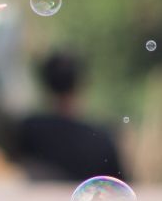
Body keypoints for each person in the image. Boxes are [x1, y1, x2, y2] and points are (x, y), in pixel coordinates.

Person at [13, 50, 126, 182]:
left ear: (46, 85)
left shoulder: (29, 130)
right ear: (82, 84)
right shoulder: (102, 139)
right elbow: (120, 186)